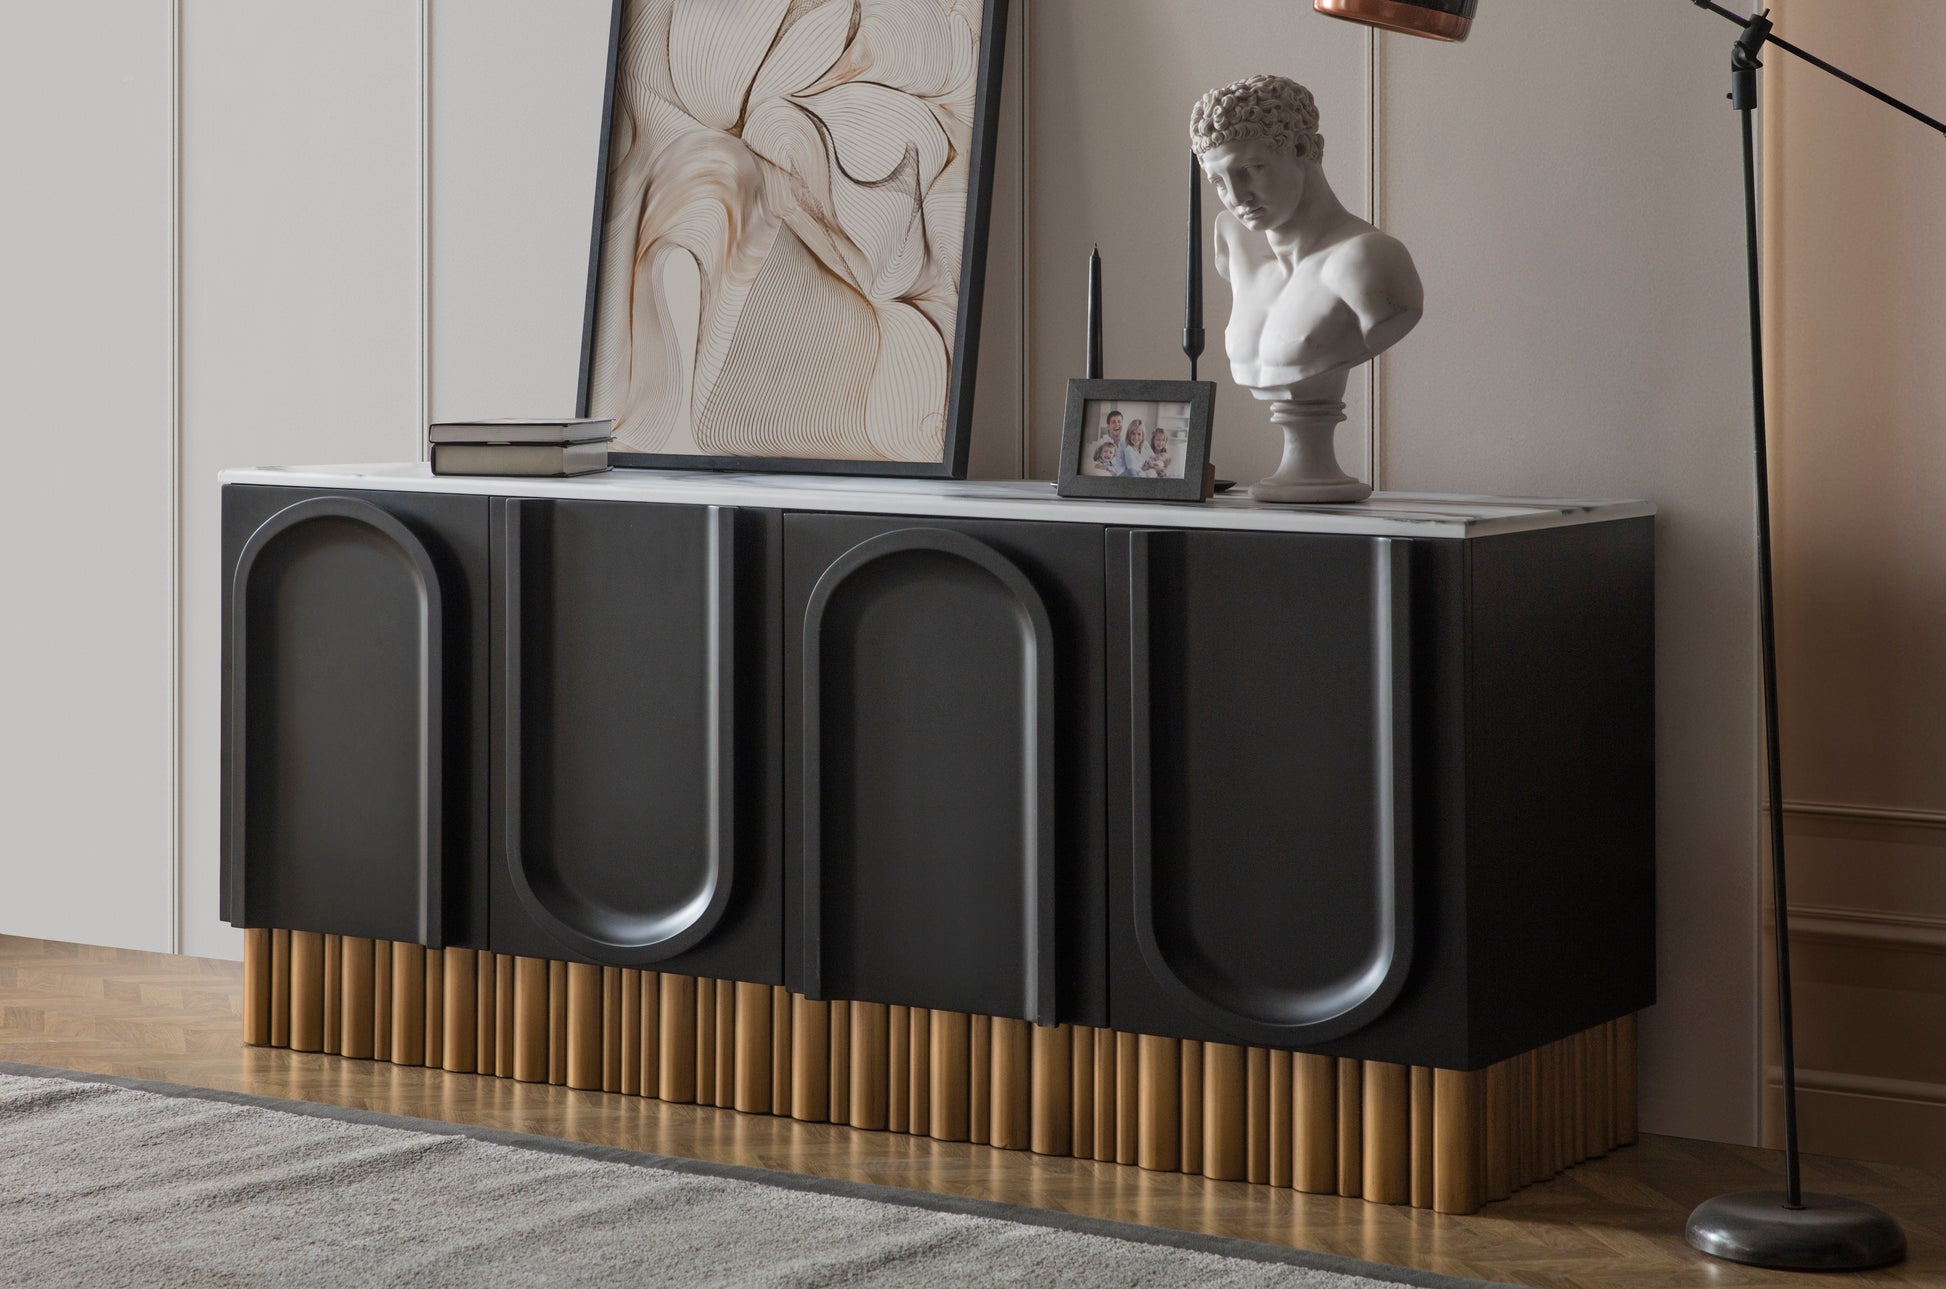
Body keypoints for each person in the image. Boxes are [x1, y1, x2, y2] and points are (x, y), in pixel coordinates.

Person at [1191, 74, 1422, 501]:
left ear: (1303, 149)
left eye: (1251, 169)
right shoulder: (1237, 248)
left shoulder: (1367, 260)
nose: (1236, 196)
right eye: (1219, 181)